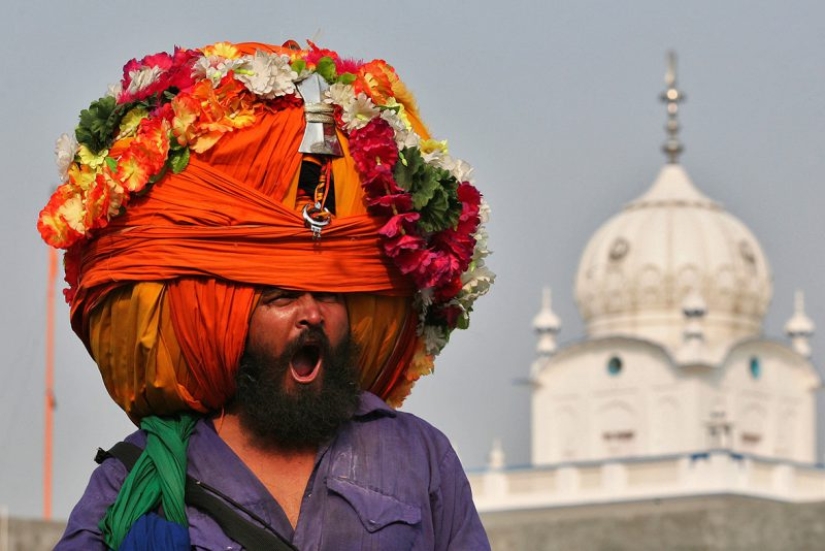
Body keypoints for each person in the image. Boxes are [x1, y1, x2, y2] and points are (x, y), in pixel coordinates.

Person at [40, 40, 494, 550]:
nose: (312, 315)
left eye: (329, 294)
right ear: (230, 319)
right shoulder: (135, 480)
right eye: (280, 297)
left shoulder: (416, 456)